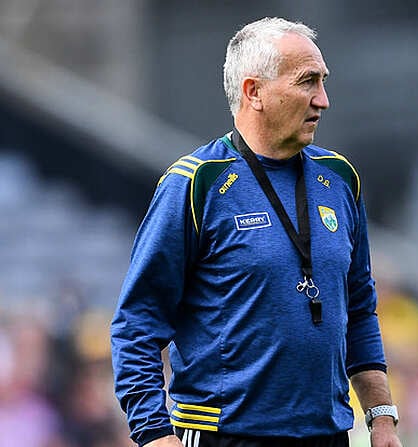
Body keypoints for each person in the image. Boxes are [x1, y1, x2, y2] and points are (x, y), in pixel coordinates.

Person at [110, 17, 402, 447]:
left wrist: (380, 416)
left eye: (323, 82)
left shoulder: (340, 178)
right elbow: (137, 321)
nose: (323, 100)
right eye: (307, 82)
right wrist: (153, 432)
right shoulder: (196, 183)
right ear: (254, 92)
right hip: (223, 435)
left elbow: (358, 307)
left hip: (328, 433)